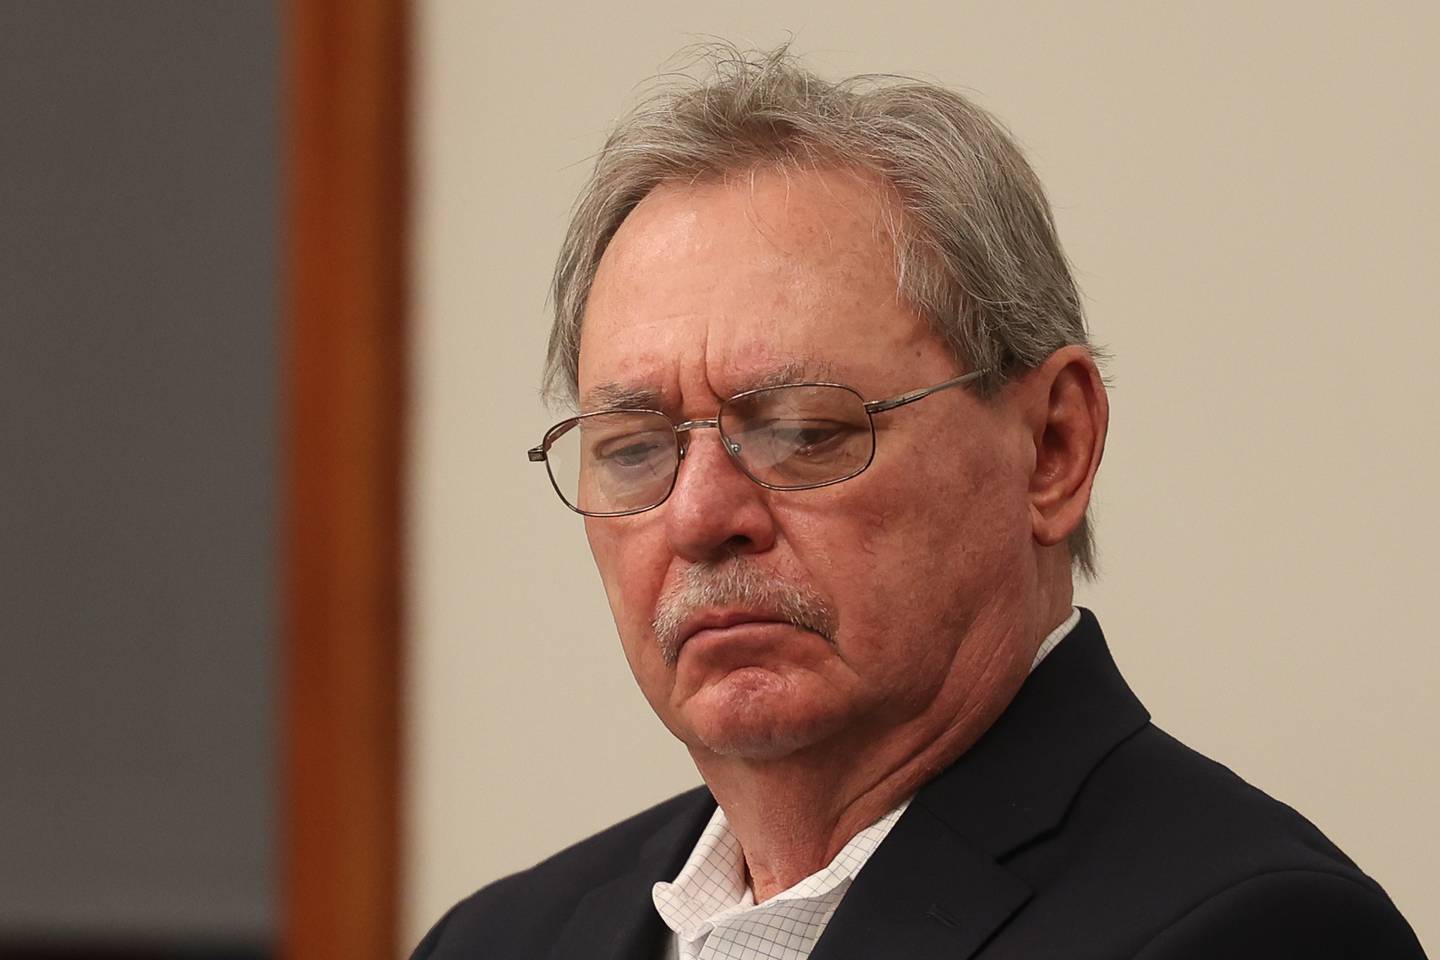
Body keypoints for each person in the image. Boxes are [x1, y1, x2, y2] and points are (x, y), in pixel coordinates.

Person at [412, 45, 1426, 959]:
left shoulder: (1252, 932)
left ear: (1052, 450)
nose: (700, 515)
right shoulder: (497, 938)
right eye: (635, 449)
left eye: (806, 430)